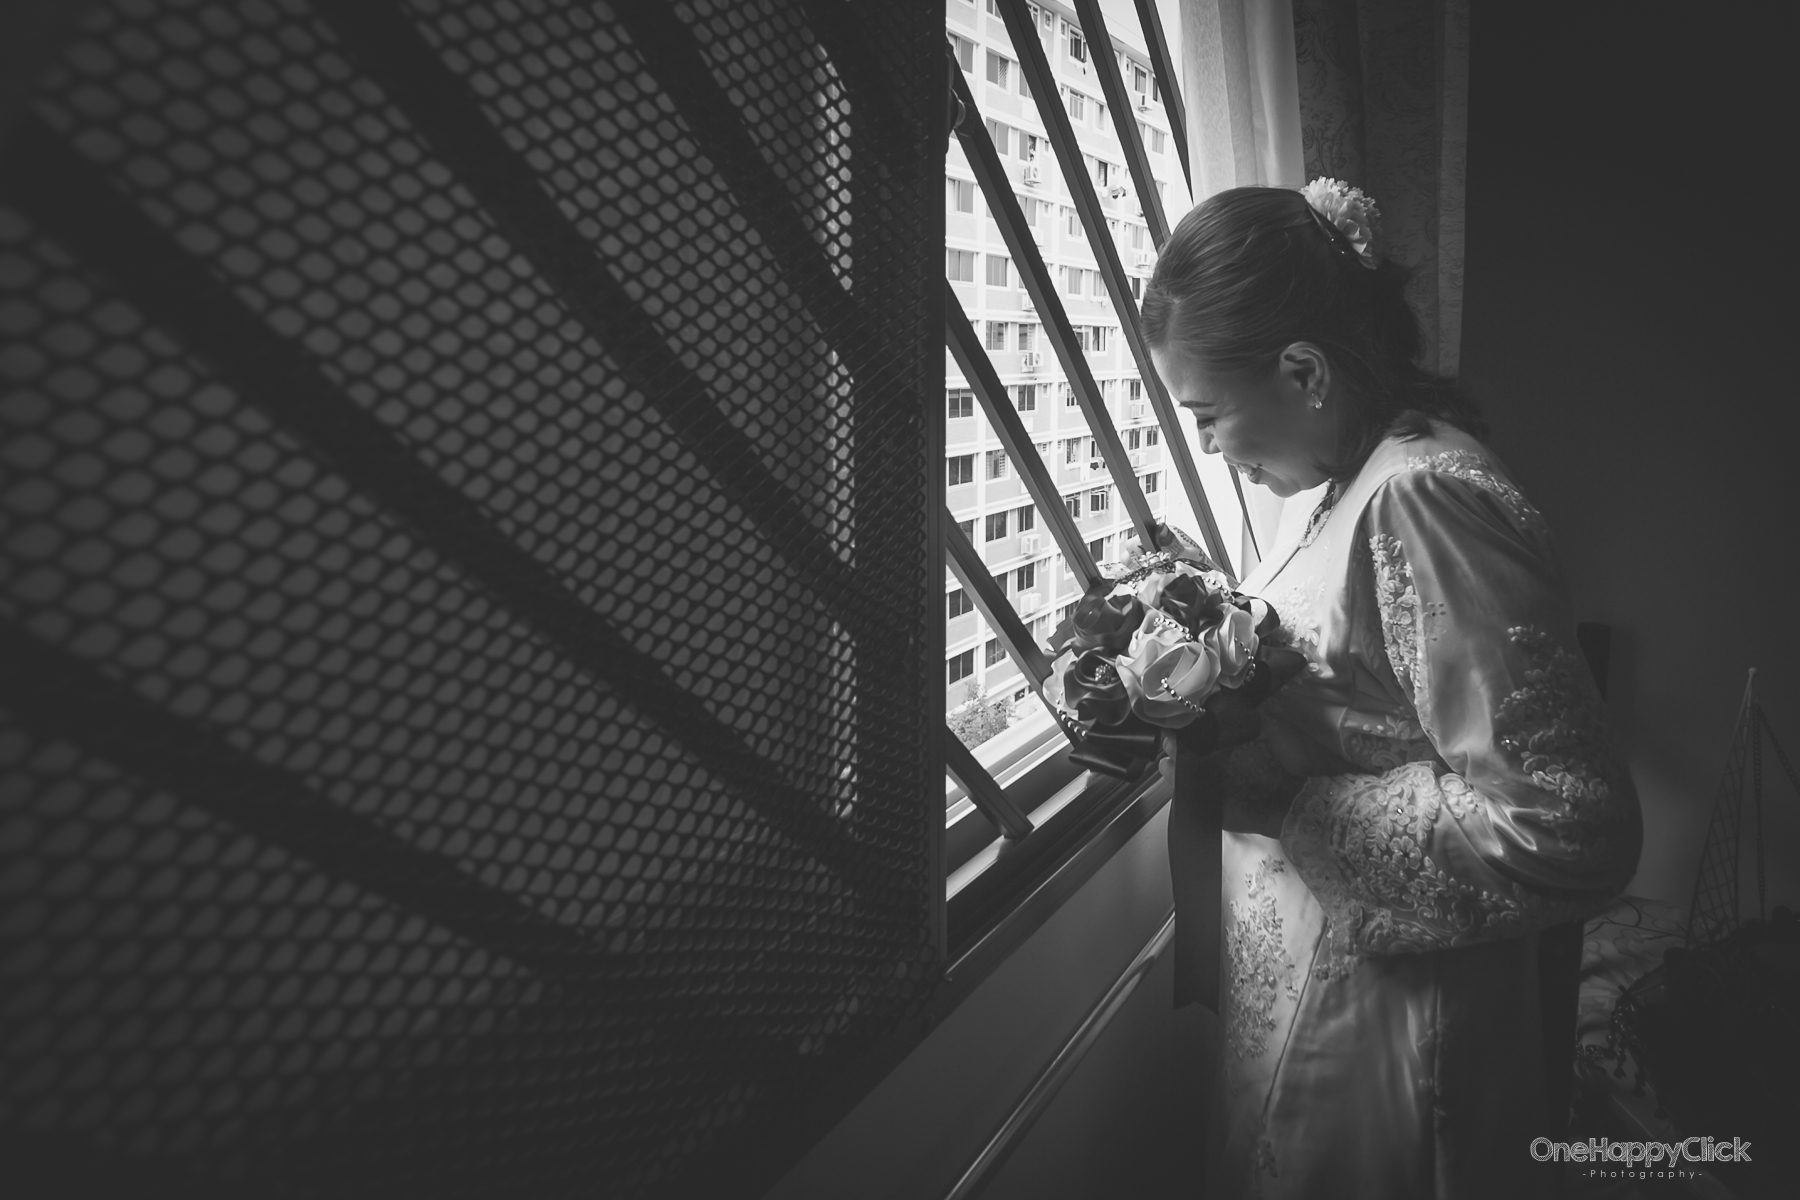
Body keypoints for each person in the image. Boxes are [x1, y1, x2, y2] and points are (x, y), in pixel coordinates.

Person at [1142, 183, 1642, 1198]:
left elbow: (1568, 824)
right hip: (1326, 977)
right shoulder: (1346, 478)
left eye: (1209, 415)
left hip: (1396, 1025)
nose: (1211, 448)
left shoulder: (1422, 497)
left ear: (1304, 371)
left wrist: (1294, 806)